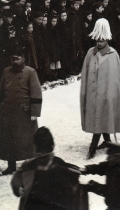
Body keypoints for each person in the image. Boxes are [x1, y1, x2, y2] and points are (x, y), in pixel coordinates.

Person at [80, 18, 120, 159]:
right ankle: (107, 140)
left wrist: (109, 95)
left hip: (105, 96)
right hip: (93, 95)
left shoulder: (112, 55)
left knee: (101, 117)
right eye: (97, 40)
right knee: (98, 116)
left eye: (102, 40)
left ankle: (93, 146)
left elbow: (114, 81)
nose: (99, 43)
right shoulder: (90, 53)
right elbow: (86, 74)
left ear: (107, 39)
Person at [11, 127, 83, 210]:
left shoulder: (59, 164)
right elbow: (17, 176)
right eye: (41, 155)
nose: (43, 158)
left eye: (46, 154)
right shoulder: (31, 165)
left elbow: (74, 176)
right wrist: (19, 186)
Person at [0, 45, 42, 175]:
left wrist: (35, 113)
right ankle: (11, 166)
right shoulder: (6, 71)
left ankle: (31, 166)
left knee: (28, 142)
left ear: (23, 58)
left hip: (25, 113)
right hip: (8, 113)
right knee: (9, 141)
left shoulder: (30, 72)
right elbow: (1, 91)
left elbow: (36, 93)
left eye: (17, 59)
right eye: (12, 59)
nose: (14, 62)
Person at [83, 142, 120, 210]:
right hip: (115, 206)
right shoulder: (115, 164)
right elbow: (100, 168)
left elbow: (110, 192)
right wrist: (87, 169)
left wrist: (91, 184)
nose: (107, 158)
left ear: (117, 157)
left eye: (110, 156)